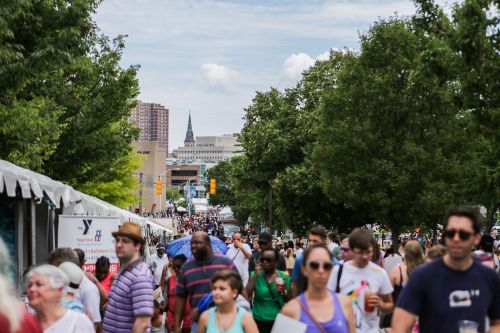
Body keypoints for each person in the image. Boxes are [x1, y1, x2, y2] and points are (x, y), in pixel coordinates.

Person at [392, 207, 500, 333]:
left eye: (463, 235)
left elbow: (497, 323)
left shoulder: (489, 277)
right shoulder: (423, 276)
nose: (456, 238)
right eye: (450, 233)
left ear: (476, 238)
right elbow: (399, 327)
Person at [327, 228, 394, 333]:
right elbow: (326, 302)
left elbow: (390, 305)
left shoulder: (380, 273)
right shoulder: (338, 271)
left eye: (368, 252)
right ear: (352, 249)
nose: (365, 256)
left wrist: (381, 305)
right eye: (360, 252)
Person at [281, 244, 355, 333]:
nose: (320, 270)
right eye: (314, 265)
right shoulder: (290, 310)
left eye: (326, 266)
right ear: (304, 269)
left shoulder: (345, 304)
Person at [175, 231, 238, 333]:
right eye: (192, 243)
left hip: (226, 321)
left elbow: (239, 290)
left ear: (208, 244)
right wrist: (177, 327)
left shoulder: (225, 263)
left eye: (197, 242)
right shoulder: (186, 268)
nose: (193, 246)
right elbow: (180, 298)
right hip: (198, 323)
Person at [103, 222, 154, 333]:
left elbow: (143, 323)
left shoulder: (140, 276)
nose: (119, 245)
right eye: (117, 240)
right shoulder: (125, 271)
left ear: (137, 246)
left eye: (125, 241)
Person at [26, 265, 94, 332]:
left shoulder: (78, 322)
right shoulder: (23, 324)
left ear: (59, 290)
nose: (31, 289)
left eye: (39, 284)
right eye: (29, 285)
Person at [47, 248, 102, 332]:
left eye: (56, 269)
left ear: (68, 266)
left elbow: (94, 324)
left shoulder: (88, 289)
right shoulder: (58, 285)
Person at [0, 236, 42, 333]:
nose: (32, 289)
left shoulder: (21, 319)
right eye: (30, 284)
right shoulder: (22, 319)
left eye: (39, 284)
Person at [381, 241, 424, 331]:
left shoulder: (396, 271)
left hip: (398, 316)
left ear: (405, 253)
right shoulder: (427, 270)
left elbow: (387, 296)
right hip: (421, 317)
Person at [246, 248, 291, 333]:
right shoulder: (254, 275)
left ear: (276, 262)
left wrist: (283, 293)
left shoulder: (283, 276)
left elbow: (290, 300)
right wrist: (255, 275)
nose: (265, 262)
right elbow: (246, 295)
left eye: (269, 260)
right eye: (263, 259)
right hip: (259, 319)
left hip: (279, 319)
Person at [291, 226, 329, 297]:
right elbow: (294, 284)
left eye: (315, 241)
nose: (311, 243)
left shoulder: (332, 262)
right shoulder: (300, 260)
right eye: (310, 240)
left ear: (323, 242)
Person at [165, 255, 191, 333]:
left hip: (187, 319)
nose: (176, 269)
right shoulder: (170, 280)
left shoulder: (190, 280)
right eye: (174, 267)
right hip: (171, 317)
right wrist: (162, 306)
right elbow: (168, 298)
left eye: (178, 267)